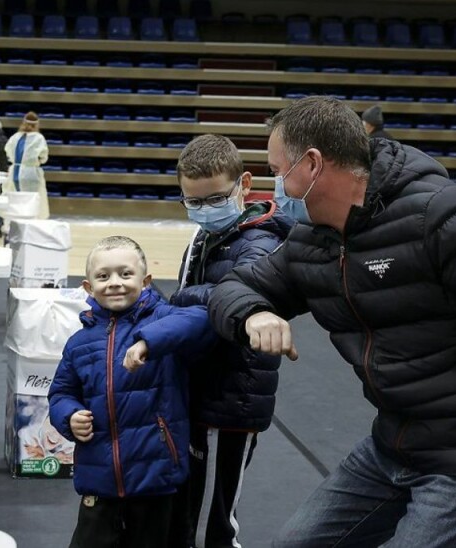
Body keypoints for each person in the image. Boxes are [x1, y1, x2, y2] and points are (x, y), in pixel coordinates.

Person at [208, 96, 456, 547]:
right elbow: (233, 288)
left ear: (312, 164)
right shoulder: (312, 242)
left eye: (278, 171)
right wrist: (253, 314)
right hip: (389, 444)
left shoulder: (445, 218)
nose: (276, 186)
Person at [49, 236, 215, 548]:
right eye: (103, 276)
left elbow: (202, 319)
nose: (115, 283)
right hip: (99, 480)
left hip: (157, 478)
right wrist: (69, 417)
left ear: (146, 281)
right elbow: (60, 393)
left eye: (125, 274)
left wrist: (148, 341)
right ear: (87, 287)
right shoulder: (79, 343)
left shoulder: (164, 317)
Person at [168, 135, 294, 548]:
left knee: (219, 520)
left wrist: (175, 301)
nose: (204, 212)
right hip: (199, 382)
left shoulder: (262, 239)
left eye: (214, 199)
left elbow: (231, 293)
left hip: (237, 390)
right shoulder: (206, 235)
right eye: (193, 202)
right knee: (189, 500)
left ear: (244, 182)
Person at [5, 111, 50, 219]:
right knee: (31, 202)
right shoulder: (38, 138)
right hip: (31, 173)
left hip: (14, 172)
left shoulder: (15, 137)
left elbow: (7, 151)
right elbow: (43, 156)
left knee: (15, 201)